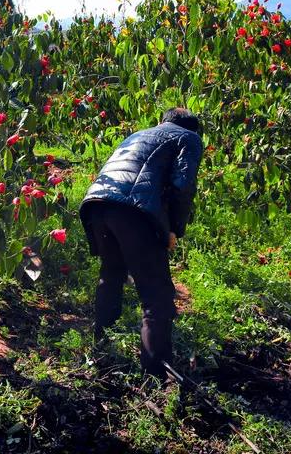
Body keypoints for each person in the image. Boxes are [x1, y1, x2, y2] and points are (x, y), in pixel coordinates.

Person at [79, 107, 204, 378]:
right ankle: (158, 374)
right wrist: (174, 229)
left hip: (97, 205)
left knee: (111, 276)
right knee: (156, 296)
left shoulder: (141, 134)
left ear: (163, 122)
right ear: (193, 128)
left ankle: (101, 352)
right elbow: (183, 186)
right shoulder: (189, 138)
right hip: (134, 210)